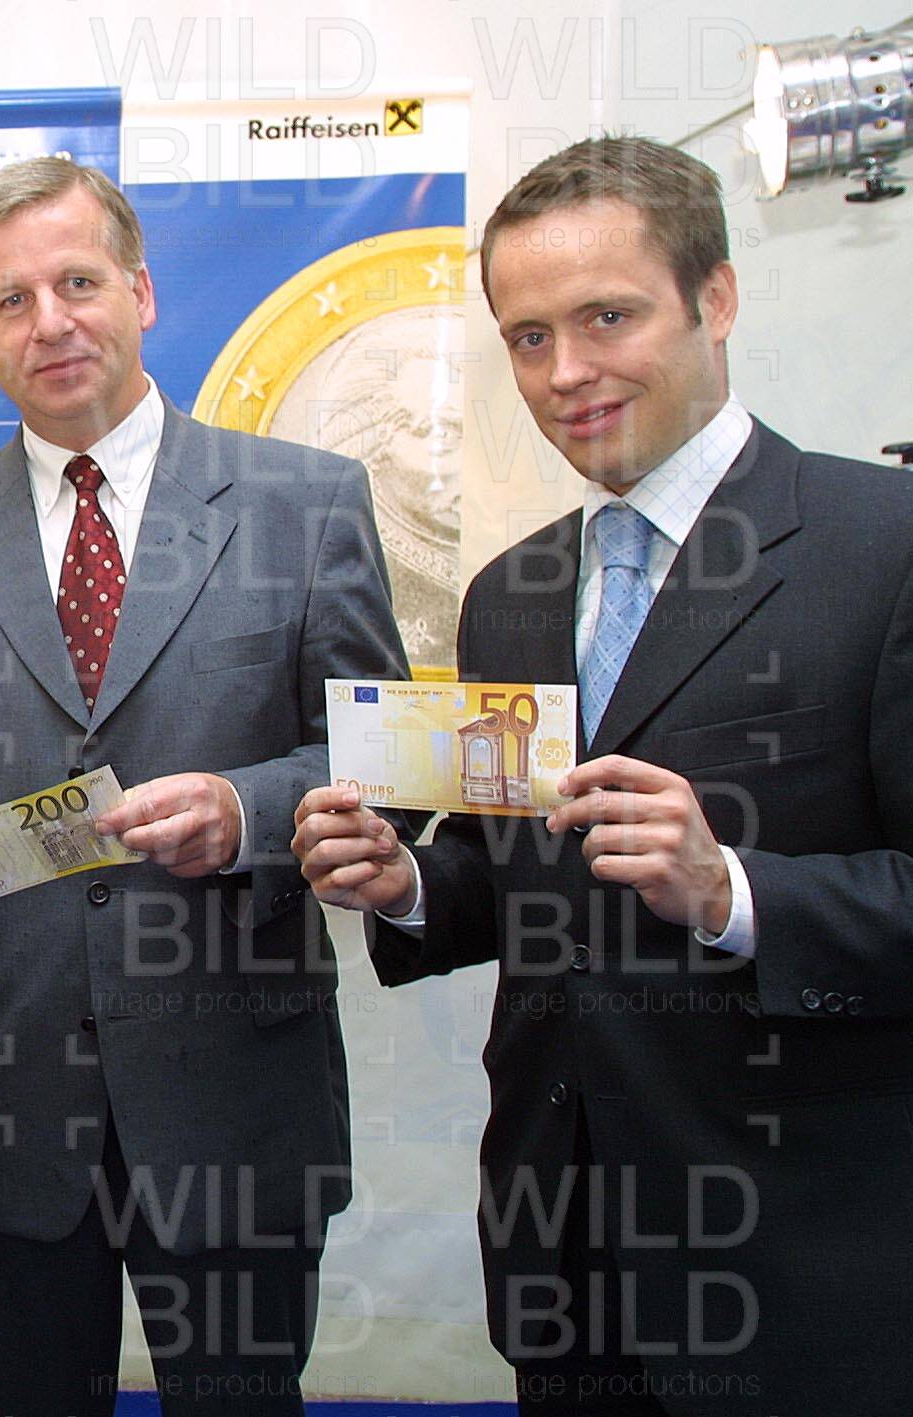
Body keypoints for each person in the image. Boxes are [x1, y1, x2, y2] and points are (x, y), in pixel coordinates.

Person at [292, 136, 913, 1415]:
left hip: (809, 1260)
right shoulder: (509, 594)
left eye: (605, 318)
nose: (563, 371)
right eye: (526, 337)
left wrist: (731, 890)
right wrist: (406, 883)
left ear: (715, 299)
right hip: (562, 1252)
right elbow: (522, 875)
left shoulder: (883, 546)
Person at [0, 157, 410, 1415]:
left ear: (141, 293)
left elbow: (380, 759)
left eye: (77, 282)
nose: (48, 321)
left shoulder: (305, 503)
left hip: (233, 1092)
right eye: (9, 301)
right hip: (10, 1099)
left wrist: (249, 813)